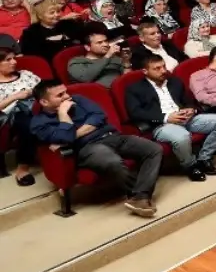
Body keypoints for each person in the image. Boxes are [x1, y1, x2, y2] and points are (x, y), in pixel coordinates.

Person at [29, 80, 162, 217]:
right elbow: (64, 137)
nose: (67, 96)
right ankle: (140, 196)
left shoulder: (78, 99)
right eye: (60, 95)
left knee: (154, 149)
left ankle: (140, 196)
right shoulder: (39, 123)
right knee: (112, 162)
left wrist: (73, 135)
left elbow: (99, 116)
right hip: (88, 147)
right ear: (44, 102)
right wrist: (64, 115)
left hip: (112, 136)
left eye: (66, 92)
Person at [123, 56, 216, 181]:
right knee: (182, 137)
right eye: (157, 68)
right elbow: (135, 113)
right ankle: (190, 165)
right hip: (162, 124)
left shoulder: (174, 81)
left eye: (163, 66)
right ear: (145, 71)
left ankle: (204, 158)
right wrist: (166, 117)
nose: (163, 71)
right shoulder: (135, 89)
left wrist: (191, 109)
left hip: (186, 119)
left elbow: (188, 101)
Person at [0, 46, 40, 186]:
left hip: (38, 106)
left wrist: (33, 92)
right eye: (8, 60)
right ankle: (23, 168)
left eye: (14, 58)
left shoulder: (26, 74)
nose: (14, 62)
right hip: (10, 115)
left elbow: (46, 89)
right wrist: (16, 96)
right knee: (28, 124)